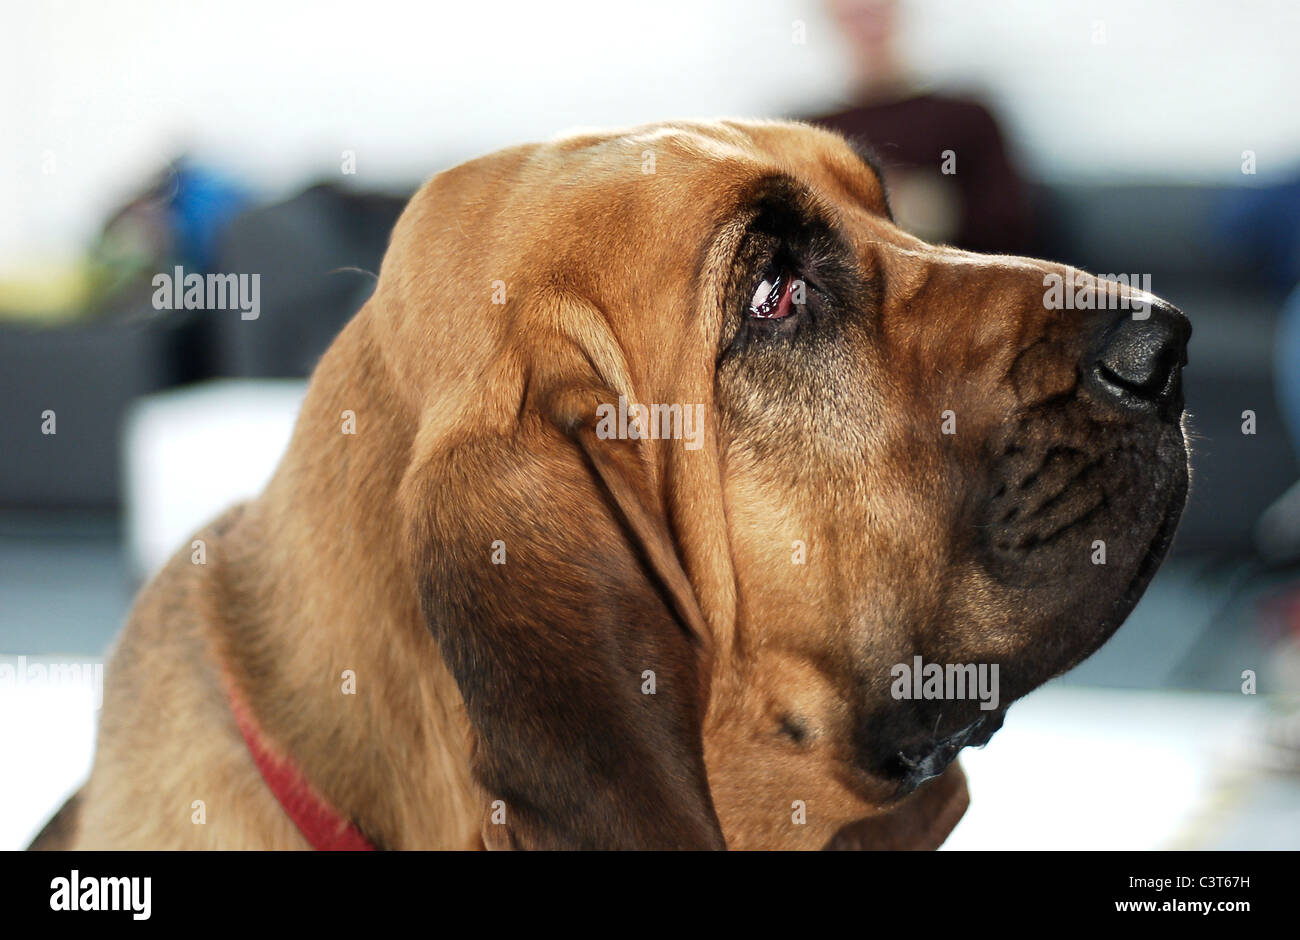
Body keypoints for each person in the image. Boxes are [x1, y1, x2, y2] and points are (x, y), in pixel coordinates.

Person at [809, 0, 1033, 254]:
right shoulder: (807, 135)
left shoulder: (968, 117)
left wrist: (924, 211)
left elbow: (1010, 231)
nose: (865, 8)